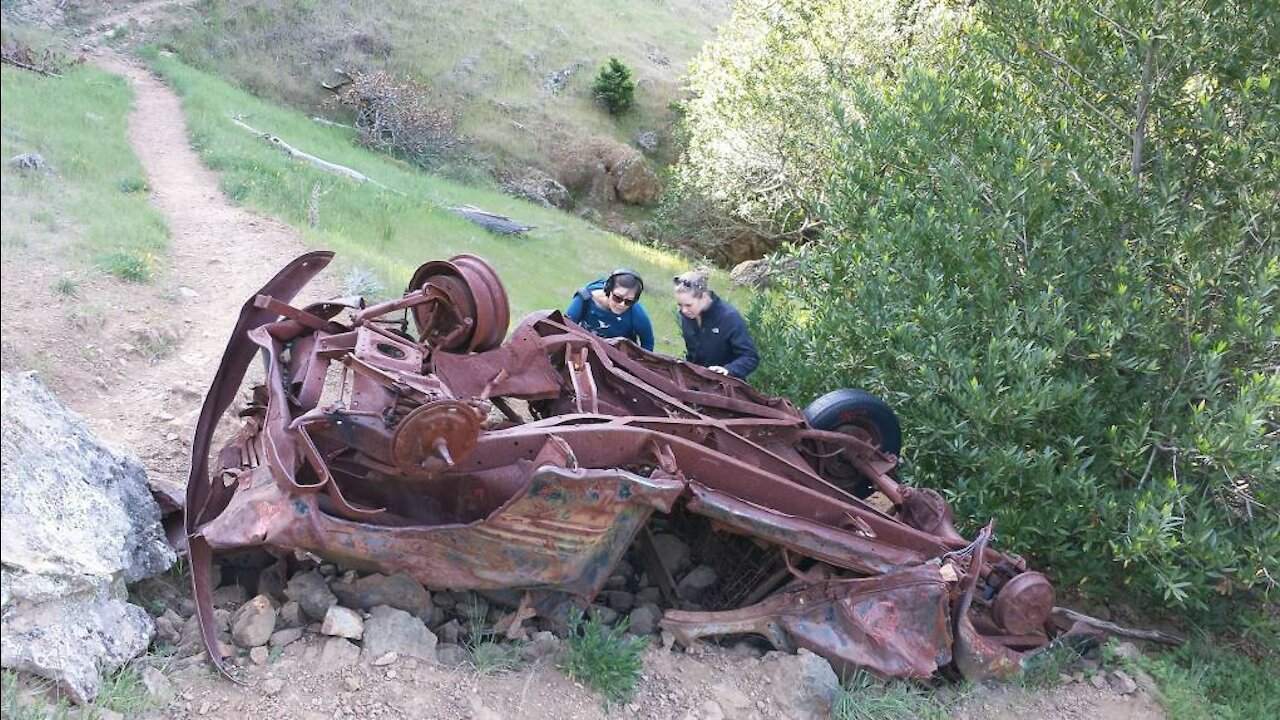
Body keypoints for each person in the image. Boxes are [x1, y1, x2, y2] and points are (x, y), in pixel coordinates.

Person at [673, 269, 759, 379]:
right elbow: (692, 353)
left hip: (726, 386)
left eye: (688, 305)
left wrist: (728, 370)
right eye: (680, 305)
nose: (684, 310)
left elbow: (750, 357)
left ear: (704, 297)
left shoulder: (729, 317)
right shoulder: (687, 316)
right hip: (697, 381)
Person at [565, 269, 655, 351]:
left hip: (617, 356)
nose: (622, 305)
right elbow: (565, 326)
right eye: (617, 298)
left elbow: (648, 342)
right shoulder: (585, 298)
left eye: (629, 301)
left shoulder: (637, 313)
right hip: (581, 347)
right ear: (608, 290)